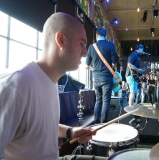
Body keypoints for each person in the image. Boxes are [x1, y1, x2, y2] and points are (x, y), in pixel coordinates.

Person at [0, 13, 107, 160]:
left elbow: (39, 127)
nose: (85, 52)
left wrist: (71, 132)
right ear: (61, 40)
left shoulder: (51, 80)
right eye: (82, 43)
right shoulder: (15, 85)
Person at [85, 28, 118, 124]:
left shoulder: (91, 47)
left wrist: (94, 69)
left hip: (95, 78)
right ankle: (103, 124)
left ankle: (96, 122)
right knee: (106, 101)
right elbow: (114, 64)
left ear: (96, 36)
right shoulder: (110, 45)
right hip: (107, 78)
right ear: (106, 36)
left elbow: (86, 66)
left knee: (98, 100)